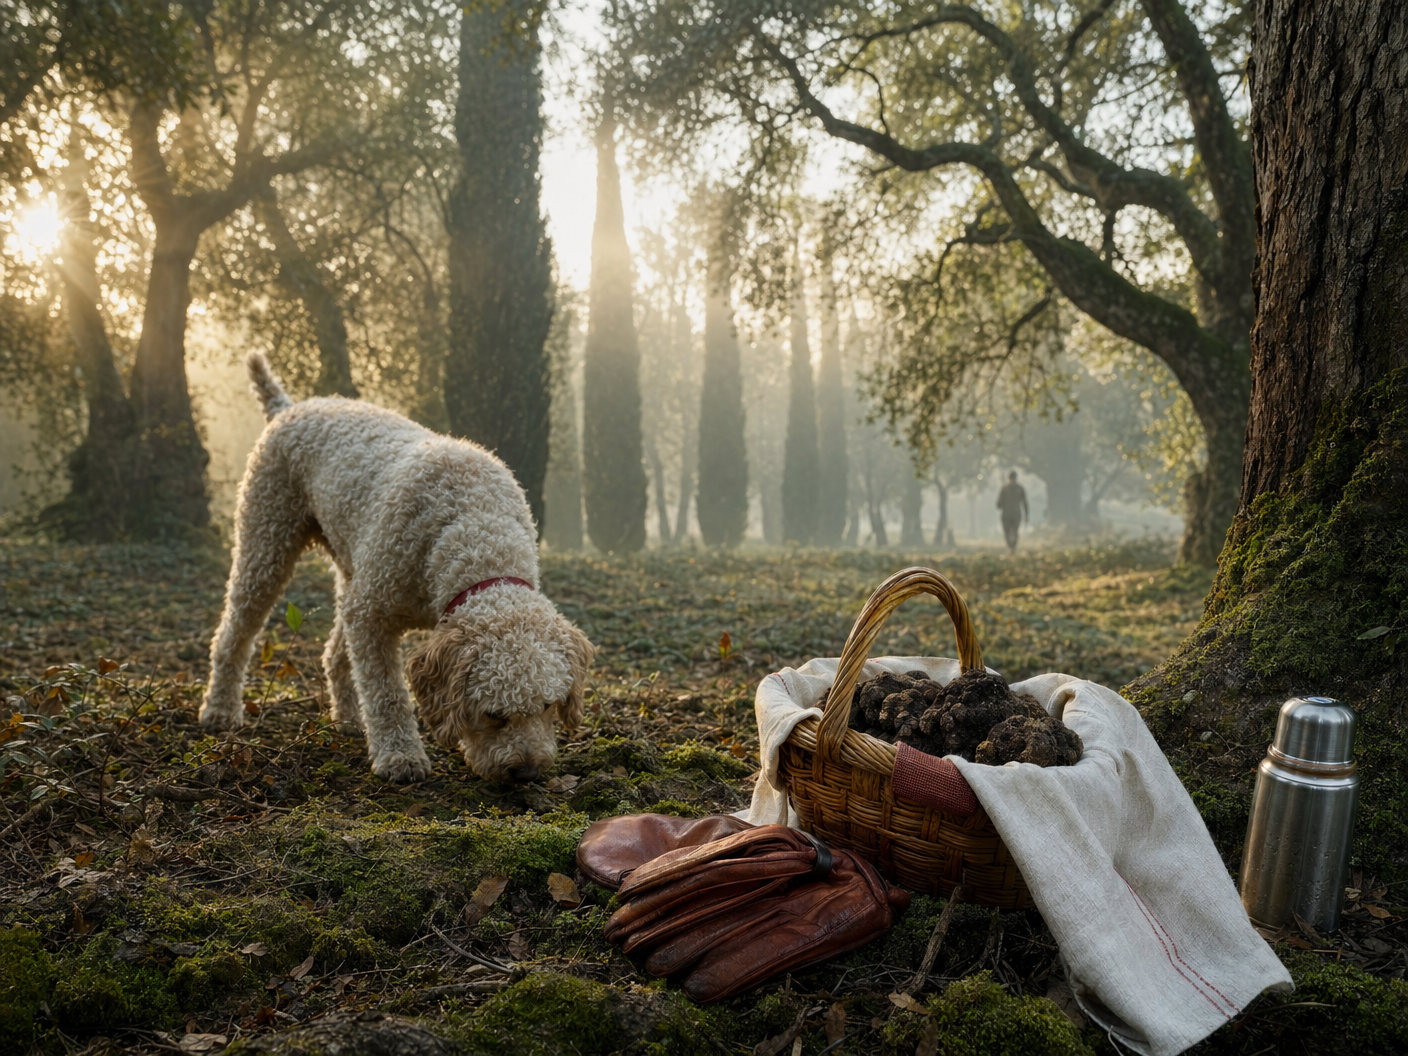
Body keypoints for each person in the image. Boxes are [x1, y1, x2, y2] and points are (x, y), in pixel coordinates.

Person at [996, 471, 1028, 553]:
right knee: (1015, 531)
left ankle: (1009, 547)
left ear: (1008, 477)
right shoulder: (1020, 488)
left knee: (1006, 532)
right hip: (1017, 514)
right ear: (1016, 477)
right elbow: (1025, 503)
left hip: (1006, 514)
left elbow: (999, 504)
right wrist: (1026, 515)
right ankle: (1013, 548)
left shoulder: (1004, 488)